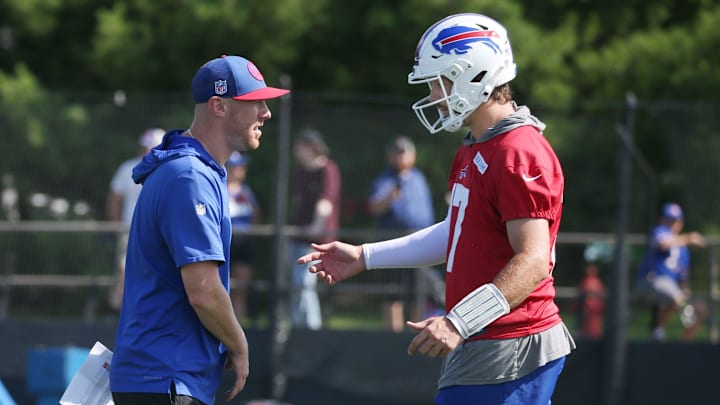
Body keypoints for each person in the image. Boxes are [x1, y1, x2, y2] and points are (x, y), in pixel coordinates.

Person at [297, 13, 575, 404]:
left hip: (509, 343)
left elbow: (533, 260)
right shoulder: (476, 145)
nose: (432, 96)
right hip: (486, 339)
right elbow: (457, 234)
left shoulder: (518, 152)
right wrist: (365, 256)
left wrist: (460, 321)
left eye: (437, 82)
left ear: (473, 75)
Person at [109, 54, 289, 405]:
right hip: (166, 378)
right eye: (254, 101)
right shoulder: (189, 176)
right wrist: (239, 345)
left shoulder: (193, 171)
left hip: (161, 377)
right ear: (218, 106)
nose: (265, 112)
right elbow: (203, 292)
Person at [367, 135, 437, 332]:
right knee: (393, 294)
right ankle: (394, 337)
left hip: (421, 243)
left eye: (404, 152)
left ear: (412, 155)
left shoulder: (419, 178)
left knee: (419, 294)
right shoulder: (384, 180)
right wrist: (389, 198)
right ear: (389, 156)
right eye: (397, 153)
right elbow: (373, 208)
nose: (401, 157)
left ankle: (415, 335)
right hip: (394, 244)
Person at [287, 128, 341, 330]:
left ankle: (311, 331)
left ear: (311, 147)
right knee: (294, 286)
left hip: (316, 241)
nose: (296, 151)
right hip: (296, 237)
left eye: (299, 147)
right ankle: (296, 328)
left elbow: (325, 202)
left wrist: (317, 226)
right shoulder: (301, 171)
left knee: (304, 285)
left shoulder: (327, 169)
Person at [106, 127, 165, 311]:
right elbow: (114, 200)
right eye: (145, 146)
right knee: (124, 273)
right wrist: (117, 227)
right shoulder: (127, 168)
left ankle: (140, 315)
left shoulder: (168, 170)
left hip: (157, 234)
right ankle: (116, 316)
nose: (147, 151)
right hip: (129, 231)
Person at [635, 202, 706, 341]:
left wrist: (685, 290)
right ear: (662, 219)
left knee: (700, 309)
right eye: (669, 220)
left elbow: (683, 275)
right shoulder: (659, 231)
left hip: (671, 288)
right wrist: (688, 238)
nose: (672, 224)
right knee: (675, 296)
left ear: (681, 223)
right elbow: (663, 244)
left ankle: (684, 342)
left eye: (675, 221)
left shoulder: (683, 250)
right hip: (651, 280)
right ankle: (658, 331)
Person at [226, 151, 262, 323]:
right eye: (235, 167)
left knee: (240, 290)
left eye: (241, 167)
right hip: (225, 244)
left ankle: (238, 329)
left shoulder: (246, 191)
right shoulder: (218, 189)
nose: (239, 170)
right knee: (222, 288)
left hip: (244, 243)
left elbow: (256, 214)